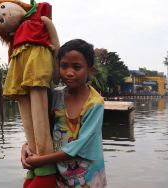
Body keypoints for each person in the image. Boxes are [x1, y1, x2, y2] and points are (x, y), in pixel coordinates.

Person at [21, 39, 107, 188]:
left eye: (77, 67)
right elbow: (41, 127)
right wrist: (26, 147)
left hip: (87, 177)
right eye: (64, 66)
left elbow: (80, 146)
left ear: (90, 71)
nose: (69, 73)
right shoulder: (55, 96)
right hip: (59, 173)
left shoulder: (95, 104)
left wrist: (40, 160)